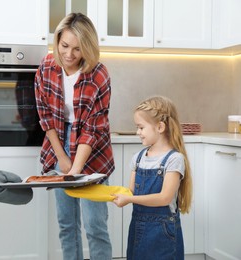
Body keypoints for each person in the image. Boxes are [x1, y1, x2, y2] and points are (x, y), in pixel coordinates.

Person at [34, 13, 115, 260]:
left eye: (77, 49)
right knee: (67, 223)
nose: (69, 54)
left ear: (88, 48)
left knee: (95, 225)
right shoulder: (47, 67)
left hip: (92, 148)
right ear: (57, 40)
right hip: (59, 139)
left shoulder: (98, 74)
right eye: (64, 45)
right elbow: (45, 117)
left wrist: (76, 170)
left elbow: (92, 128)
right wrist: (62, 159)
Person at [112, 96, 193, 260]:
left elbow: (164, 198)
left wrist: (128, 199)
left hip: (162, 232)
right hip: (138, 228)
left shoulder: (174, 159)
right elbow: (130, 192)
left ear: (160, 127)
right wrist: (104, 193)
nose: (137, 132)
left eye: (141, 127)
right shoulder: (138, 157)